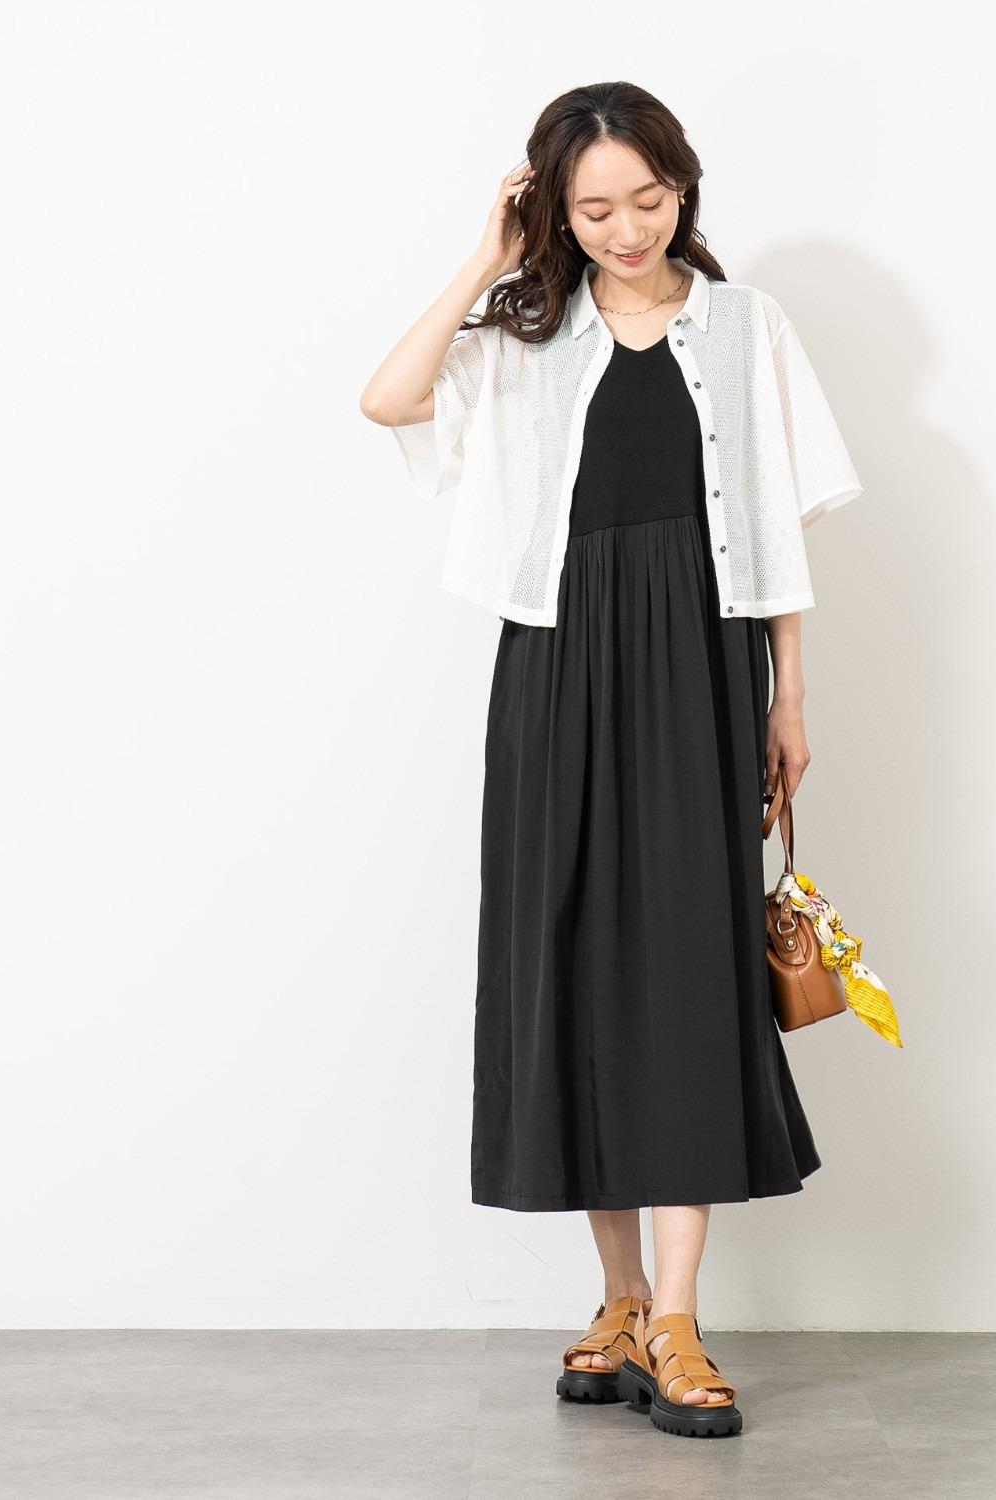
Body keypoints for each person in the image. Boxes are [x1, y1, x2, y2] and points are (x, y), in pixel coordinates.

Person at [360, 81, 862, 1439]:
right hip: (557, 663)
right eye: (593, 210)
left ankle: (682, 1317)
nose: (628, 229)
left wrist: (790, 695)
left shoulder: (747, 327)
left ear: (683, 189)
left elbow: (777, 522)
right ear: (554, 211)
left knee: (689, 969)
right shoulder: (525, 331)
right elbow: (386, 397)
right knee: (573, 958)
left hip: (702, 659)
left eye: (648, 199)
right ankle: (622, 1302)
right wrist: (488, 255)